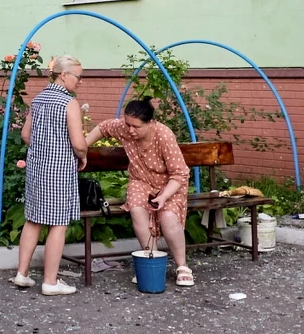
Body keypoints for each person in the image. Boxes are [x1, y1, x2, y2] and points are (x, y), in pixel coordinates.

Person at [86, 98, 193, 287]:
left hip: (168, 184)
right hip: (140, 181)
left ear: (150, 123)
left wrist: (163, 197)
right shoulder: (124, 128)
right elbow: (103, 127)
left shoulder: (164, 136)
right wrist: (82, 147)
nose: (130, 130)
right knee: (136, 209)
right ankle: (151, 262)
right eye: (127, 124)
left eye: (136, 126)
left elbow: (180, 174)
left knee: (168, 217)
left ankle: (182, 266)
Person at [11, 55, 88, 295]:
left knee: (33, 220)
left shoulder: (38, 99)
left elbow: (25, 135)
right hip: (59, 170)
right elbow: (78, 144)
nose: (80, 81)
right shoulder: (68, 103)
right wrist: (83, 155)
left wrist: (43, 148)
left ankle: (22, 274)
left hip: (36, 169)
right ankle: (50, 281)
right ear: (63, 75)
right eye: (78, 77)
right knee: (58, 223)